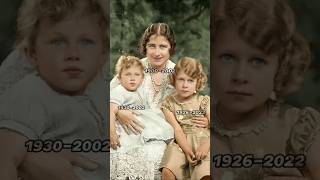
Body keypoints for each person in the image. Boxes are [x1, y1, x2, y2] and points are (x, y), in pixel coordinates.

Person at [212, 0, 320, 179]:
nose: (240, 76)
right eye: (228, 57)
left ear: (281, 66)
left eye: (257, 61)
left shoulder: (298, 130)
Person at [0, 0, 108, 180]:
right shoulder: (32, 94)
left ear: (103, 54)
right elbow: (4, 159)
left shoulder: (103, 92)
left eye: (86, 42)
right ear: (32, 54)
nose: (73, 53)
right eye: (58, 42)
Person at [110, 23, 209, 179]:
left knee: (154, 153)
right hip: (129, 126)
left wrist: (205, 119)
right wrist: (120, 111)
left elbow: (193, 101)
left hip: (164, 130)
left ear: (171, 48)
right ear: (145, 46)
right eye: (152, 46)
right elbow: (110, 95)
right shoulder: (135, 67)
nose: (157, 52)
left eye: (162, 46)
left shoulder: (178, 73)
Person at [110, 55, 173, 179]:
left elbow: (147, 109)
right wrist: (112, 133)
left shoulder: (140, 91)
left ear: (142, 78)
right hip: (124, 126)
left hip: (140, 120)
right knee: (130, 142)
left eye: (136, 75)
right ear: (119, 77)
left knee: (161, 129)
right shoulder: (119, 91)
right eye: (128, 74)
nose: (132, 79)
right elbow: (111, 111)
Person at [160, 57, 210, 180]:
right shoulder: (168, 103)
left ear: (197, 82)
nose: (185, 85)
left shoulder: (204, 101)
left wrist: (207, 145)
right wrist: (187, 150)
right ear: (174, 80)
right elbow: (177, 129)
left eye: (190, 81)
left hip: (204, 142)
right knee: (167, 172)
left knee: (205, 174)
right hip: (181, 144)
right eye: (181, 79)